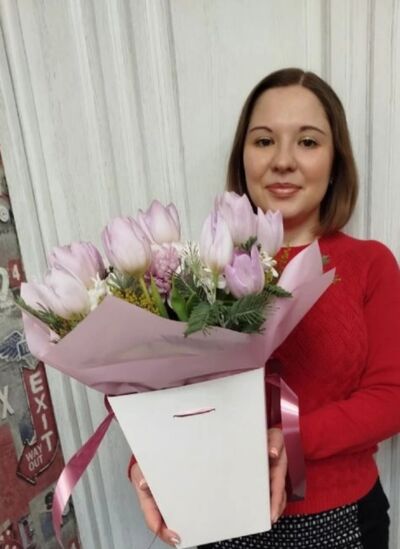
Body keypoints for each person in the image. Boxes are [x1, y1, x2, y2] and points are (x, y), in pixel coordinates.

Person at [130, 68, 400, 548]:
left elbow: (391, 398)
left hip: (342, 523)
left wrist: (290, 438)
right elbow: (165, 397)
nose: (282, 161)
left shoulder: (369, 264)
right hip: (223, 518)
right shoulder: (198, 272)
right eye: (263, 141)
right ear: (243, 156)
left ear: (336, 161)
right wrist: (147, 462)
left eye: (308, 142)